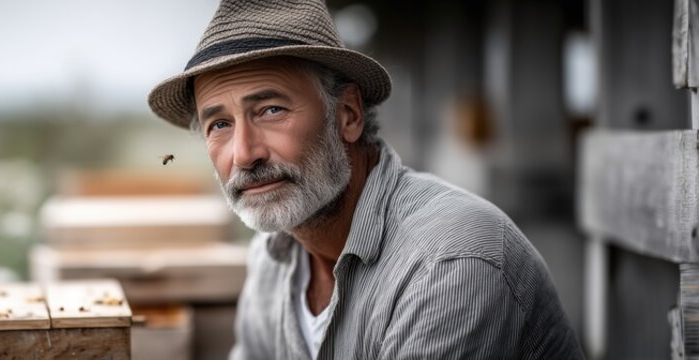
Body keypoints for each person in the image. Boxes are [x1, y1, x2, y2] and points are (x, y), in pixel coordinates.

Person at [146, 0, 584, 358]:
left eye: (271, 110)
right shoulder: (272, 260)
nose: (244, 153)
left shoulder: (450, 261)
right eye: (218, 125)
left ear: (348, 115)